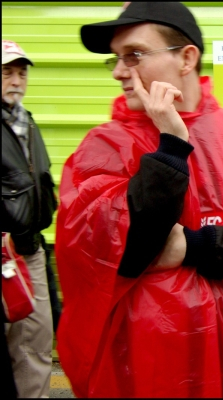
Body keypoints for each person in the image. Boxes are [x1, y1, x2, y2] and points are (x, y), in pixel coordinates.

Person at [54, 2, 223, 397]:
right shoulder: (103, 147)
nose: (121, 71)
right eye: (117, 59)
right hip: (146, 370)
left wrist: (194, 246)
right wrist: (171, 147)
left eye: (135, 55)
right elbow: (119, 250)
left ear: (186, 58)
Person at [2, 39, 57, 398]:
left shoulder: (27, 122)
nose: (17, 80)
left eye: (22, 73)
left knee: (36, 341)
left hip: (30, 250)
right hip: (3, 251)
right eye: (7, 72)